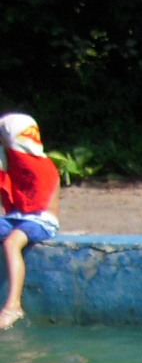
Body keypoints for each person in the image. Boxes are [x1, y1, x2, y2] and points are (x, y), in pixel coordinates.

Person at [0, 113, 62, 330]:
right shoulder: (11, 162)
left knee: (12, 243)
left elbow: (33, 204)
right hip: (17, 217)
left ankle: (13, 306)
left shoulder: (42, 165)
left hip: (42, 219)